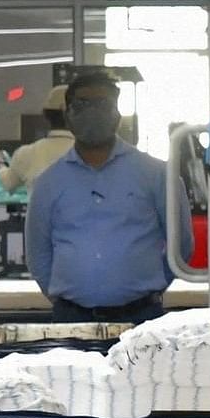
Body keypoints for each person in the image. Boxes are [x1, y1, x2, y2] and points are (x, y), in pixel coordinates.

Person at [25, 66, 171, 321]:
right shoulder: (48, 183)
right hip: (71, 319)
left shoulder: (155, 174)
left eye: (102, 104)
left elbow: (181, 246)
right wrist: (73, 300)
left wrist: (151, 288)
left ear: (117, 114)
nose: (92, 113)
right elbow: (38, 255)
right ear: (67, 115)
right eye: (81, 105)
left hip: (141, 317)